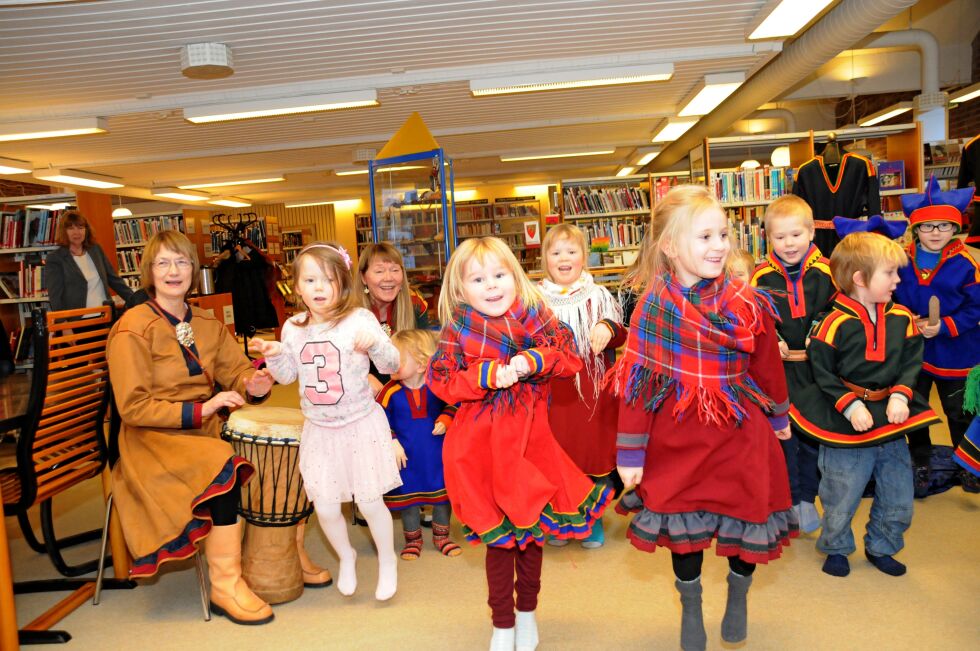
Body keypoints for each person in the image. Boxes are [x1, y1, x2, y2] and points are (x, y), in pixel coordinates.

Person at [609, 185, 796, 651]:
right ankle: (690, 605)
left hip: (739, 429)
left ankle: (739, 590)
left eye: (724, 234)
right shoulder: (652, 309)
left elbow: (768, 365)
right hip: (677, 436)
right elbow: (637, 382)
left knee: (747, 518)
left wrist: (778, 417)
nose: (719, 246)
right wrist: (630, 451)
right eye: (705, 236)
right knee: (682, 529)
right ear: (670, 247)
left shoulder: (747, 301)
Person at [427, 237, 611, 651]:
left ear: (515, 275)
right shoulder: (458, 328)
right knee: (499, 541)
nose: (491, 286)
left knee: (530, 536)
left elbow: (569, 358)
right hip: (480, 447)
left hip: (530, 443)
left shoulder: (536, 315)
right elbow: (440, 380)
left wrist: (535, 360)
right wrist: (484, 376)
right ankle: (502, 622)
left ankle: (527, 613)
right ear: (460, 288)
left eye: (499, 274)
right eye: (478, 279)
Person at [107, 230, 276, 625]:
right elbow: (133, 407)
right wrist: (203, 411)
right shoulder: (131, 328)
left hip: (200, 431)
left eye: (181, 261)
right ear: (148, 271)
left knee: (262, 450)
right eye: (163, 263)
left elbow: (235, 370)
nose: (173, 271)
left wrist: (253, 384)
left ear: (193, 269)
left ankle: (278, 556)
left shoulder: (205, 321)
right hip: (150, 439)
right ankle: (226, 584)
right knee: (222, 461)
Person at [250, 242, 403, 601]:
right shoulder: (292, 327)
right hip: (320, 429)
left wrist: (377, 345)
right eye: (310, 280)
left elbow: (394, 365)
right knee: (326, 505)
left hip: (360, 424)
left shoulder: (359, 319)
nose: (319, 288)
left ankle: (387, 559)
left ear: (344, 284)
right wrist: (273, 356)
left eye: (329, 280)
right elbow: (288, 376)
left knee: (368, 501)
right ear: (297, 286)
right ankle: (346, 556)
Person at [789, 231, 941, 579]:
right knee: (841, 492)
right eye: (889, 273)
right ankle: (837, 546)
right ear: (860, 279)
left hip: (891, 414)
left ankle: (883, 545)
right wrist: (850, 406)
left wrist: (901, 393)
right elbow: (821, 371)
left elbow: (911, 361)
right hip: (845, 418)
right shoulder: (833, 321)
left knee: (899, 492)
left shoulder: (902, 317)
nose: (898, 280)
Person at [751, 195, 837, 533]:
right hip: (780, 373)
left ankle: (808, 498)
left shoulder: (830, 271)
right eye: (779, 237)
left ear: (812, 231)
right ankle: (788, 499)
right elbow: (757, 320)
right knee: (784, 438)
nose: (789, 244)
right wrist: (773, 339)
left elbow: (837, 315)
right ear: (767, 237)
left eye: (796, 235)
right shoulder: (760, 277)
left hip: (819, 372)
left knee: (816, 438)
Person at [538, 223, 626, 549]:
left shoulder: (598, 295)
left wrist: (607, 326)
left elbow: (619, 332)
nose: (564, 258)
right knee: (558, 457)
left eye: (571, 252)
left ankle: (593, 518)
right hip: (552, 393)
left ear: (583, 257)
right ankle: (562, 518)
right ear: (545, 258)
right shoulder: (534, 300)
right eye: (556, 252)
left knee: (593, 457)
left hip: (592, 391)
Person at [892, 177, 980, 495]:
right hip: (914, 352)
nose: (936, 233)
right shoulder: (899, 261)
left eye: (944, 226)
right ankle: (920, 463)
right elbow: (889, 299)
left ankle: (970, 465)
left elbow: (976, 308)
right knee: (914, 412)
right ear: (915, 229)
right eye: (928, 227)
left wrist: (945, 326)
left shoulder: (967, 263)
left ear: (954, 228)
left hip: (958, 352)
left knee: (960, 413)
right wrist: (906, 321)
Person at [379, 329, 461, 560]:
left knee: (442, 496)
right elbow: (378, 420)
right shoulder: (389, 392)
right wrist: (392, 441)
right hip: (405, 457)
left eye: (398, 359)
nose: (391, 363)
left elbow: (455, 404)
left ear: (422, 364)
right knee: (408, 498)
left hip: (437, 454)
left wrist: (446, 418)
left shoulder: (438, 387)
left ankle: (442, 536)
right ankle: (412, 540)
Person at [44, 210, 133, 311]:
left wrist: (136, 301)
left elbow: (114, 279)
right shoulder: (55, 258)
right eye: (71, 228)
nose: (76, 232)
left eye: (80, 228)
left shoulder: (96, 250)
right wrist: (62, 322)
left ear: (86, 230)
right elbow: (55, 296)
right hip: (76, 320)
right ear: (64, 231)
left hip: (105, 315)